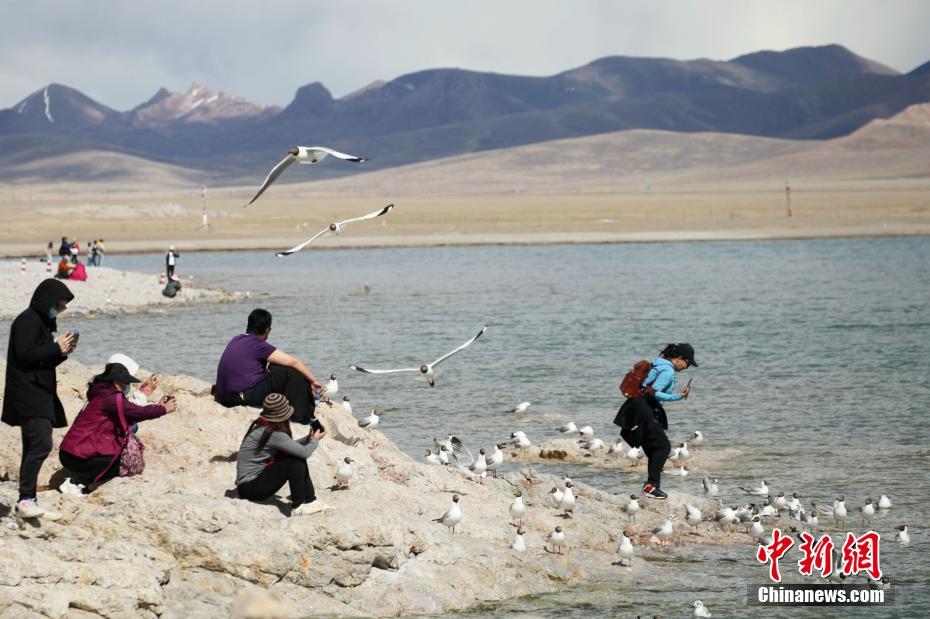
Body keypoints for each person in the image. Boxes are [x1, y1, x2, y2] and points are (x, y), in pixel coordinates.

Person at [2, 279, 76, 519]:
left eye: (62, 307)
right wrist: (55, 347)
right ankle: (26, 500)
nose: (59, 310)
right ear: (47, 301)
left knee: (32, 446)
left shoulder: (40, 323)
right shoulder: (27, 321)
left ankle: (27, 500)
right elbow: (25, 356)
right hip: (28, 395)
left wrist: (61, 353)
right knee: (41, 444)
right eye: (58, 305)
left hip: (38, 393)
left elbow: (40, 360)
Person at [58, 363, 176, 495]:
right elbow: (138, 412)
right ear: (115, 381)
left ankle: (87, 481)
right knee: (120, 462)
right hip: (76, 455)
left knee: (116, 449)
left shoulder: (100, 393)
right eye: (125, 382)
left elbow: (130, 413)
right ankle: (76, 482)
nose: (127, 386)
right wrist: (163, 409)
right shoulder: (110, 398)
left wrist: (157, 406)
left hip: (69, 452)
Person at [617, 343, 697, 500]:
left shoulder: (658, 363)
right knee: (663, 447)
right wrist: (678, 396)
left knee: (654, 449)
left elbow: (646, 388)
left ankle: (652, 486)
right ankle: (651, 486)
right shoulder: (667, 370)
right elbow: (652, 393)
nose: (687, 367)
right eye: (688, 363)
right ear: (679, 358)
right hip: (644, 408)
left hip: (637, 406)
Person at [214, 309, 322, 424]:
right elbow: (293, 362)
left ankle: (291, 405)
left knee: (273, 367)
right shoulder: (258, 344)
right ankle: (301, 416)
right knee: (288, 371)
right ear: (267, 330)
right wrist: (314, 381)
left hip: (223, 397)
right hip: (239, 398)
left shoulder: (236, 339)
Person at [235, 393, 330, 516]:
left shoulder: (263, 425)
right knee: (295, 461)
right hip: (250, 488)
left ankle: (310, 500)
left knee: (295, 456)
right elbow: (305, 453)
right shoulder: (274, 433)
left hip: (247, 486)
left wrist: (308, 439)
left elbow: (289, 446)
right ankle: (298, 506)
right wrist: (315, 440)